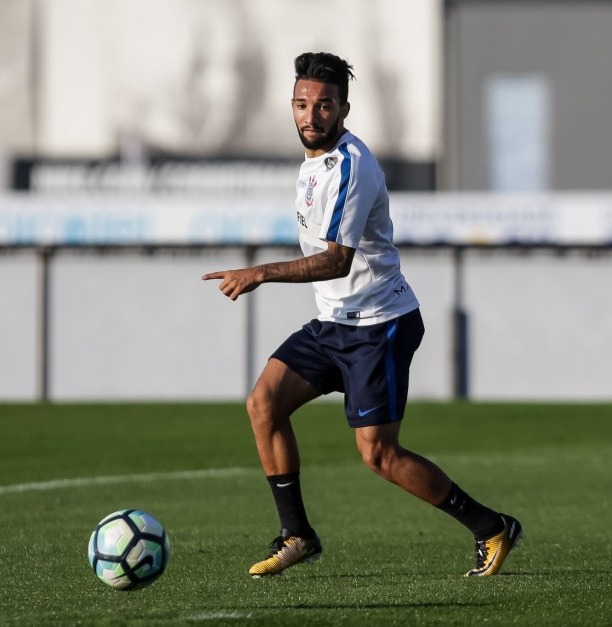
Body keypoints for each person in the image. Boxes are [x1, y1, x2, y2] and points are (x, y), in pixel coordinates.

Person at [202, 52, 522, 578]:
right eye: (302, 104)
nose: (311, 115)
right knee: (263, 404)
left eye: (324, 105)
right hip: (333, 323)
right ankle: (297, 534)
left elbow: (337, 259)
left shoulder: (352, 166)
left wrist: (260, 272)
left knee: (379, 456)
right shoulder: (311, 162)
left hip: (379, 325)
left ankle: (491, 526)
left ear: (344, 109)